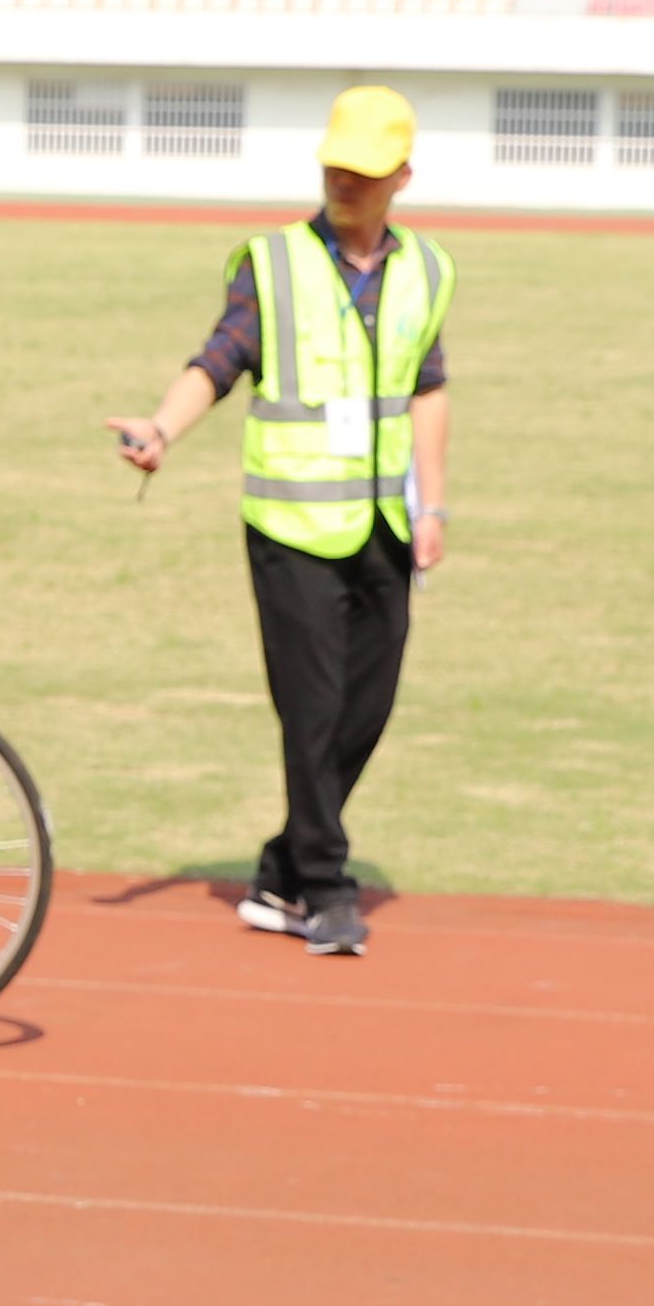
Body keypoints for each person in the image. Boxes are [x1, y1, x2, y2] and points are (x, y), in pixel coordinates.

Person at [109, 82, 454, 960]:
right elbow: (220, 358)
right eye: (336, 166)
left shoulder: (428, 270)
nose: (346, 183)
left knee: (364, 710)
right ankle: (327, 890)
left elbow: (428, 387)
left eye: (365, 172)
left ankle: (278, 872)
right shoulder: (272, 264)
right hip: (291, 526)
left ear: (403, 177)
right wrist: (161, 429)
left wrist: (434, 502)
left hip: (385, 524)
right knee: (311, 707)